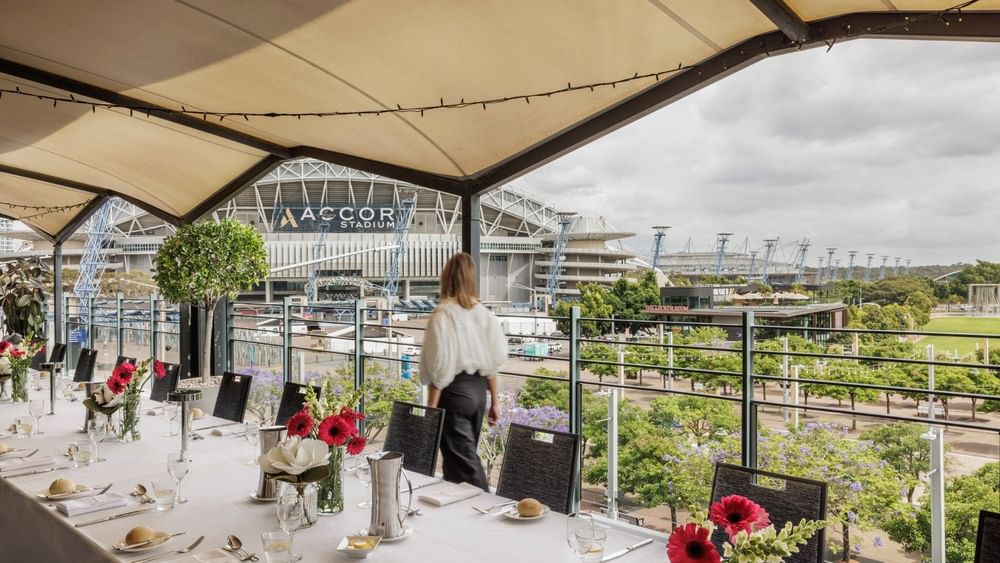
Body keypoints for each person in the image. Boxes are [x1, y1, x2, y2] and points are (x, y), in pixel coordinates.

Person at [424, 252, 507, 490]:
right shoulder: (485, 314)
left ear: (446, 277)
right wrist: (495, 403)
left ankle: (486, 507)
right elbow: (493, 363)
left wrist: (431, 410)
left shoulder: (443, 314)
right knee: (457, 465)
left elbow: (440, 366)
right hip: (478, 395)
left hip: (453, 396)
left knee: (466, 469)